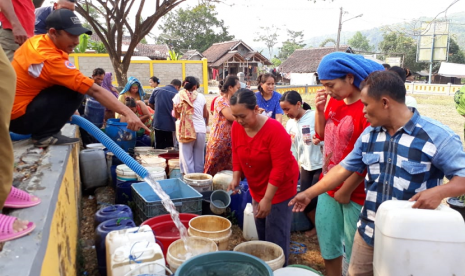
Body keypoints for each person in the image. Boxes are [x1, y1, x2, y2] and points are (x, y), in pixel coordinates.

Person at [290, 70, 465, 276]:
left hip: (411, 235)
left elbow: (461, 177)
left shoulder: (436, 136)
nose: (362, 111)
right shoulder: (370, 135)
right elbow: (343, 169)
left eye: (365, 104)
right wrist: (309, 193)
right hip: (369, 230)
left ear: (384, 102)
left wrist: (439, 192)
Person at [9, 9, 149, 148]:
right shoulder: (49, 58)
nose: (76, 41)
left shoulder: (37, 41)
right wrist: (128, 112)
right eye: (71, 35)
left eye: (78, 36)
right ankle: (44, 136)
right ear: (53, 32)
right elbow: (95, 91)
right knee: (77, 89)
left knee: (76, 84)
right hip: (21, 119)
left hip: (11, 114)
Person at [311, 52, 384, 276]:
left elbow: (368, 156)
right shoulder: (333, 101)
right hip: (328, 184)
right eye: (324, 85)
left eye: (331, 84)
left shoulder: (367, 108)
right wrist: (320, 111)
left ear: (350, 78)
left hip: (355, 192)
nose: (328, 90)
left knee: (355, 252)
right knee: (329, 245)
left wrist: (347, 189)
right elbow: (322, 135)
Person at [228, 88, 299, 266]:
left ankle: (280, 267)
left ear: (255, 109)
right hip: (257, 184)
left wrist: (268, 198)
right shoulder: (237, 127)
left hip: (280, 187)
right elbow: (236, 152)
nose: (238, 120)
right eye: (235, 116)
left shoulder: (275, 130)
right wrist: (236, 176)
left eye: (242, 116)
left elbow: (279, 168)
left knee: (276, 233)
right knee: (261, 227)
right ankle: (266, 265)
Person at [0, 0, 39, 243]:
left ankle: (2, 188)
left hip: (18, 33)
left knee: (6, 81)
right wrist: (14, 23)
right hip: (10, 31)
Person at [280, 90, 323, 238]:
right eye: (283, 110)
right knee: (304, 198)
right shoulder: (291, 123)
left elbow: (325, 136)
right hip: (305, 166)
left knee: (316, 200)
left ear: (298, 104)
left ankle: (319, 229)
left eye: (287, 109)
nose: (286, 113)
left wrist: (320, 141)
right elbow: (292, 147)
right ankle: (317, 227)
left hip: (320, 165)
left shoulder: (313, 117)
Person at [204, 75, 240, 176]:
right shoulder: (221, 100)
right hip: (219, 141)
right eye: (238, 88)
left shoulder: (235, 102)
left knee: (227, 172)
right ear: (230, 88)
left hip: (231, 141)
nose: (239, 91)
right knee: (212, 169)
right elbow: (231, 116)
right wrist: (247, 116)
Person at [173, 76, 208, 174]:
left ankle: (190, 182)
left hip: (185, 130)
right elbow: (205, 114)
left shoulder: (178, 96)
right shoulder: (201, 97)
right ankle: (199, 181)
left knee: (187, 159)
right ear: (195, 87)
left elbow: (176, 115)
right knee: (199, 158)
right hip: (200, 130)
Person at [148, 79, 181, 149]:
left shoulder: (157, 90)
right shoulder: (177, 94)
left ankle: (158, 159)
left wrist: (157, 109)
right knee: (170, 147)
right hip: (171, 124)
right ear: (178, 87)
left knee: (158, 146)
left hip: (158, 123)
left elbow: (150, 103)